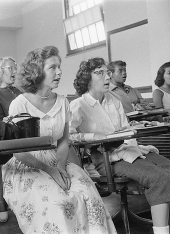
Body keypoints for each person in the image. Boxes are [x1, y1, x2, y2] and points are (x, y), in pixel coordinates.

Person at [2, 46, 116, 234]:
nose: (59, 72)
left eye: (59, 66)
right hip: (28, 164)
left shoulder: (62, 101)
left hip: (58, 159)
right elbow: (18, 151)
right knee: (59, 204)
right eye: (53, 67)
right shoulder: (19, 104)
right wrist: (49, 170)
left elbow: (63, 140)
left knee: (88, 197)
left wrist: (61, 168)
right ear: (37, 71)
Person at [70, 57, 170, 234]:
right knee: (159, 178)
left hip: (129, 150)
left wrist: (135, 144)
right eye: (99, 73)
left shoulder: (114, 101)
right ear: (87, 79)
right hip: (105, 157)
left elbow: (125, 130)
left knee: (167, 169)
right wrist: (93, 136)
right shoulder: (78, 105)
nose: (107, 77)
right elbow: (69, 136)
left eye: (107, 72)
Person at [0, 57, 22, 121]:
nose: (15, 71)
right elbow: (0, 122)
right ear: (0, 71)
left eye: (15, 68)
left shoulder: (21, 91)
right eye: (10, 68)